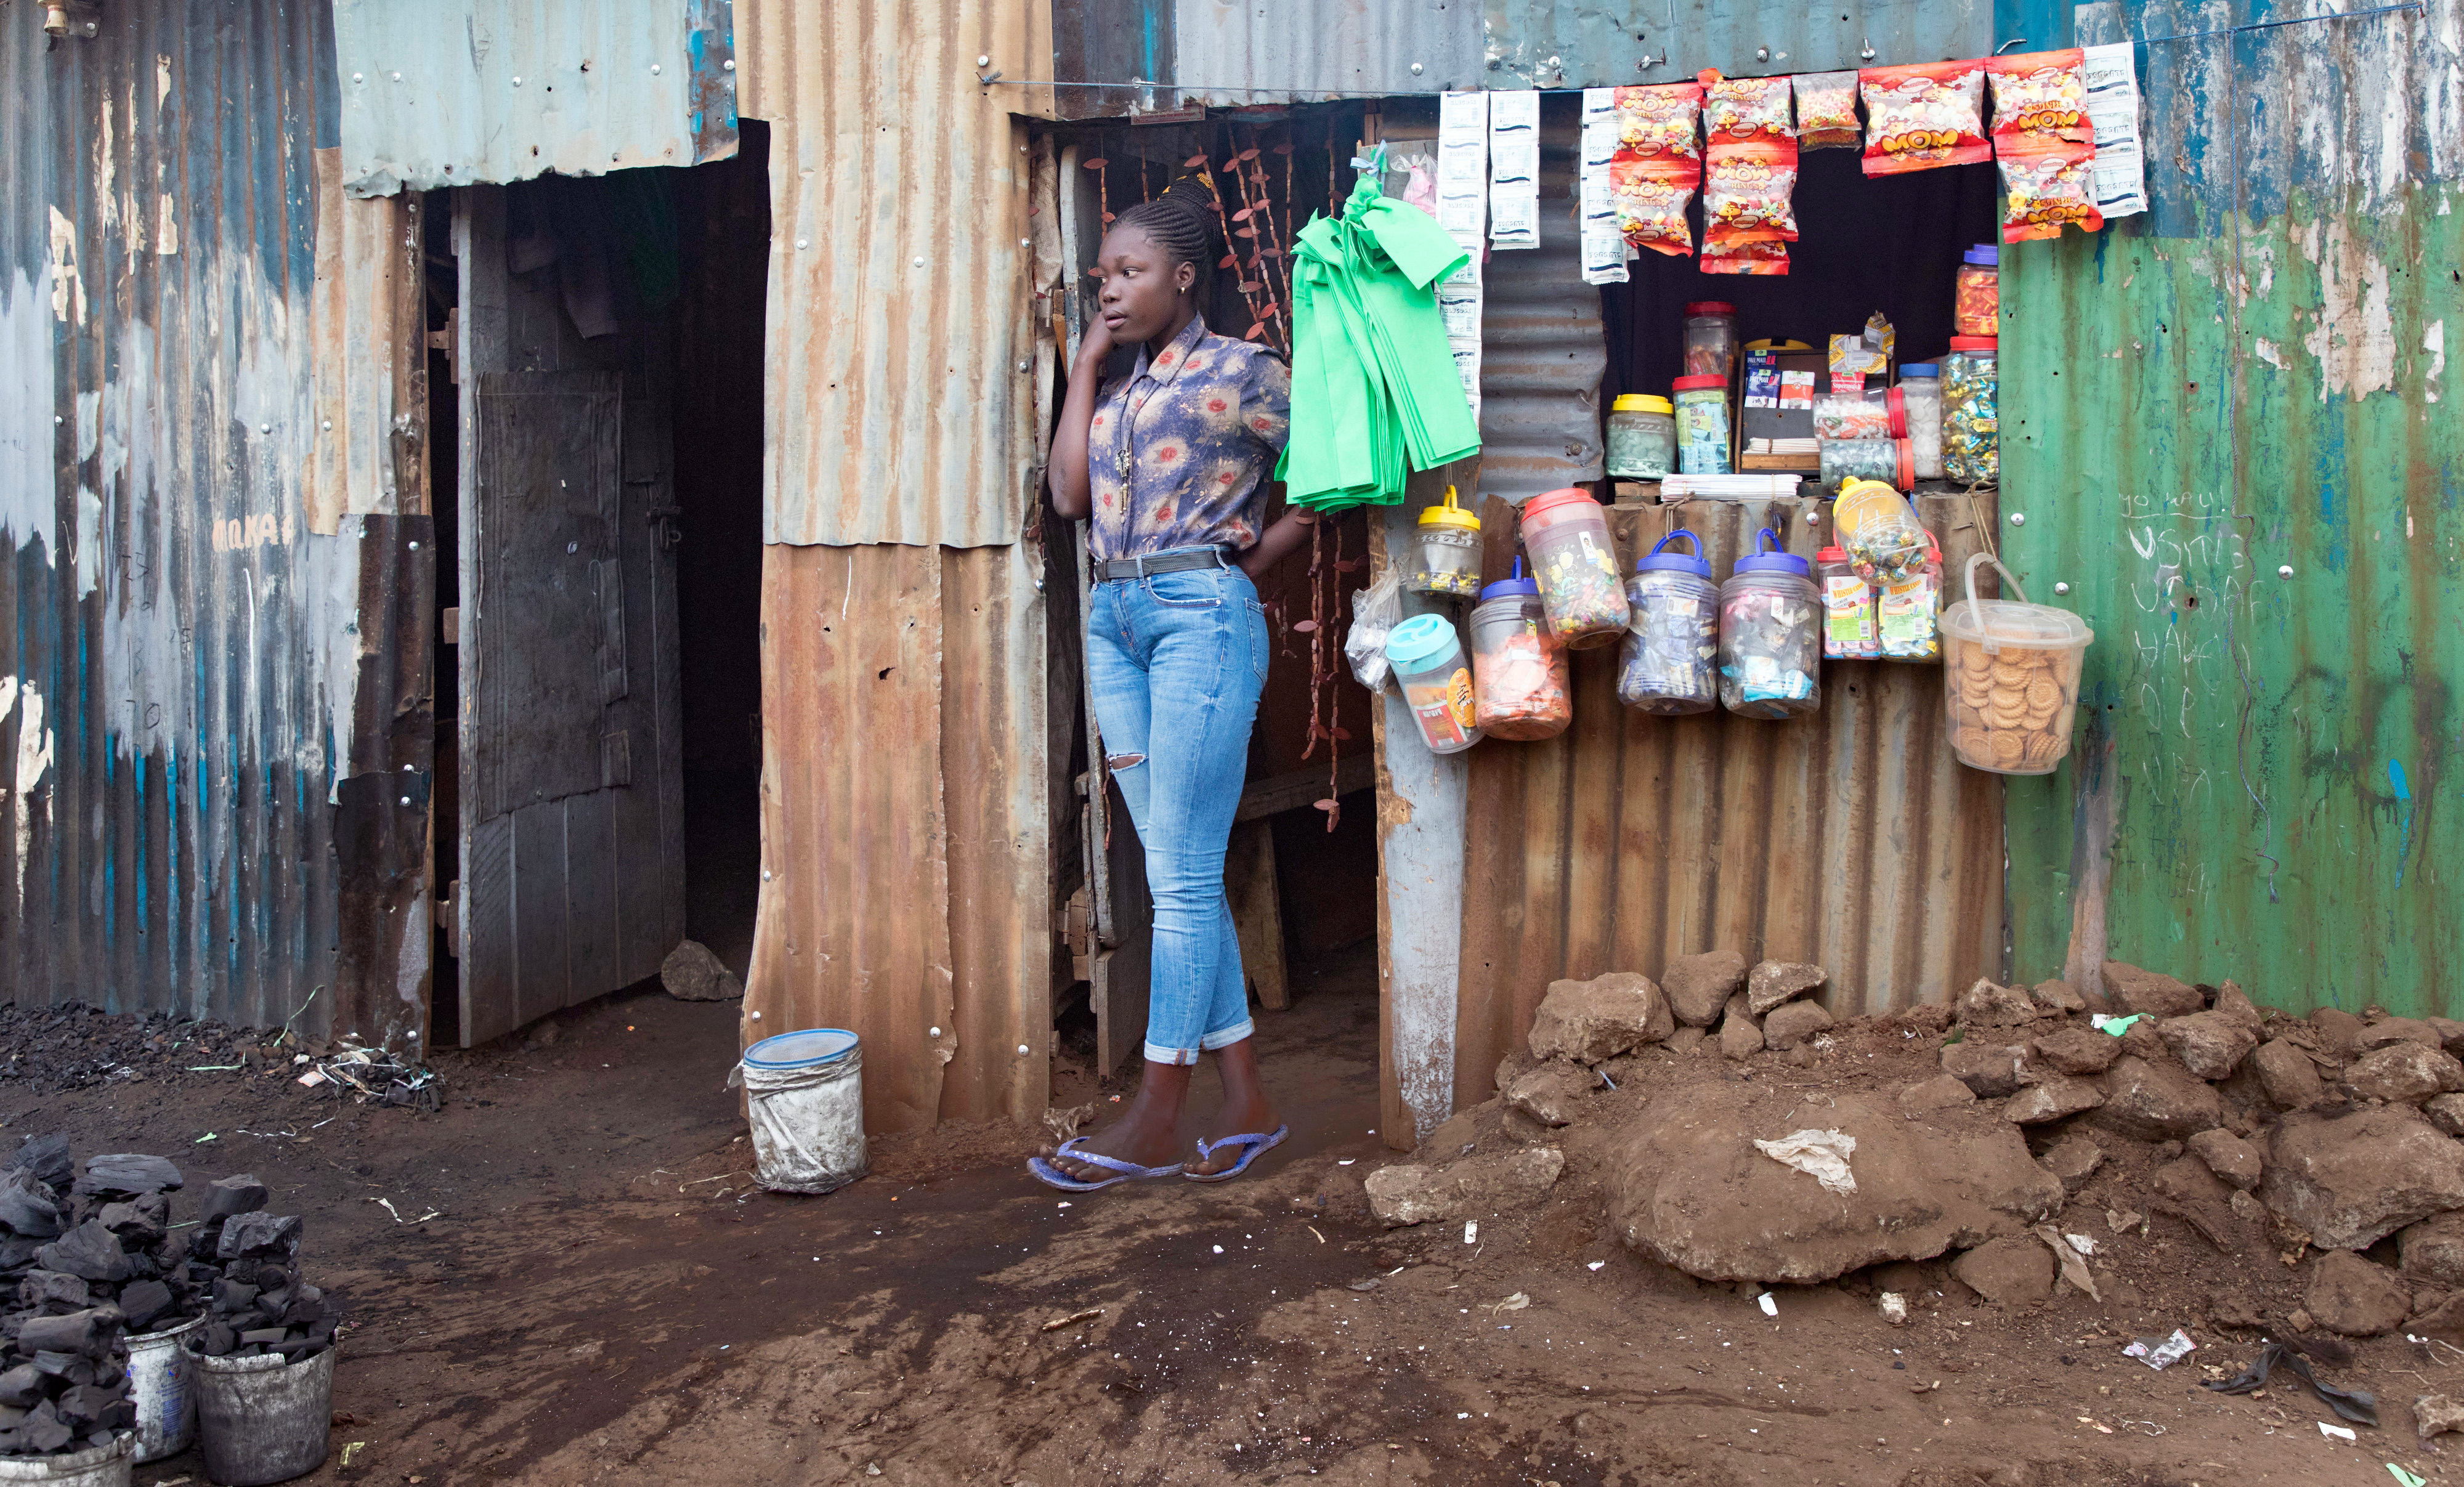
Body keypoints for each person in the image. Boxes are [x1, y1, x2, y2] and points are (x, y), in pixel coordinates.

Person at [1033, 189, 1319, 1189]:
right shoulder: (1114, 395)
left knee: (1185, 874)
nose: (1109, 288)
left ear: (1183, 279)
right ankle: (1248, 1101)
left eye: (1130, 273)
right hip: (1113, 625)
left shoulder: (1245, 372)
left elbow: (1333, 479)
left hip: (1201, 613)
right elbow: (1069, 496)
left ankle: (1159, 1106)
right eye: (1104, 275)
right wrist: (1083, 374)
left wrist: (1252, 566)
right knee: (1171, 861)